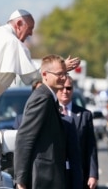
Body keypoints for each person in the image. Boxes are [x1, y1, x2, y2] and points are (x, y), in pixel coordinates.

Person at [0, 9, 80, 100]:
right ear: (19, 24)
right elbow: (32, 75)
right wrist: (61, 67)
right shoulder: (12, 42)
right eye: (30, 28)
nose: (30, 34)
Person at [14, 54, 68, 189]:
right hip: (43, 178)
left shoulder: (48, 96)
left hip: (49, 175)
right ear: (45, 74)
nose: (64, 78)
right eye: (59, 74)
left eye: (65, 73)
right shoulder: (43, 98)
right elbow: (25, 138)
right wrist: (20, 181)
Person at [56, 75, 99, 189]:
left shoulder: (85, 115)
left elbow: (91, 147)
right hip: (56, 174)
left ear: (73, 89)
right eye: (61, 88)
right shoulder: (50, 113)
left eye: (68, 88)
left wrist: (93, 174)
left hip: (79, 173)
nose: (65, 91)